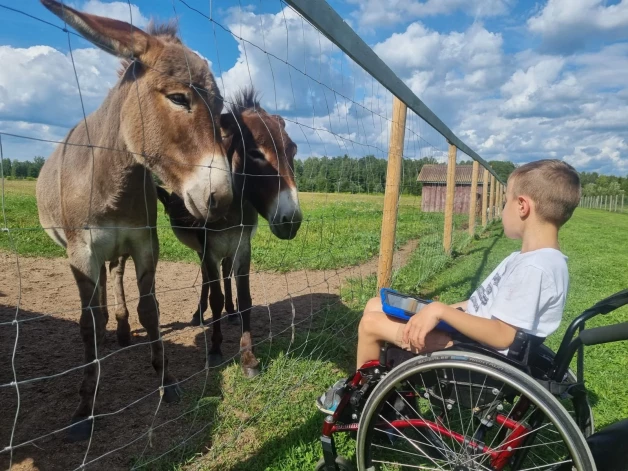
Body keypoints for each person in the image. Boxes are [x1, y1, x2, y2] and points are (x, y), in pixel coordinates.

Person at [317, 159, 582, 414]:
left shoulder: (535, 268)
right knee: (376, 304)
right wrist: (431, 309)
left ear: (522, 206)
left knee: (370, 324)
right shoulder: (528, 259)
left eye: (505, 202)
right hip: (471, 337)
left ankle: (366, 401)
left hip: (477, 356)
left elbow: (503, 335)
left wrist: (440, 311)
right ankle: (386, 393)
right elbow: (482, 306)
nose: (502, 210)